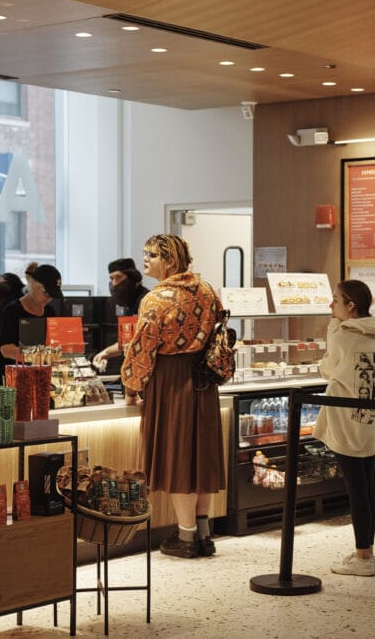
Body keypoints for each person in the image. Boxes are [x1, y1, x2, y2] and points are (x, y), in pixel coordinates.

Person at [120, 234, 224, 558]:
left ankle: (186, 537)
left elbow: (142, 349)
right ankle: (204, 534)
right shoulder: (207, 290)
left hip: (171, 382)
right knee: (201, 458)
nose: (145, 259)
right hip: (205, 381)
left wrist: (132, 387)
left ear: (169, 259)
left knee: (180, 459)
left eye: (151, 254)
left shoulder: (157, 298)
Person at [314, 280, 375, 577]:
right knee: (366, 486)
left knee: (355, 489)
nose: (330, 306)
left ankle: (363, 558)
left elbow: (329, 369)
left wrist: (332, 331)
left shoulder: (345, 336)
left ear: (351, 306)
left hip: (347, 419)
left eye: (335, 300)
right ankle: (367, 552)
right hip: (372, 419)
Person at [92, 258, 150, 372]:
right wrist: (105, 353)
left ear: (134, 279)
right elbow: (127, 340)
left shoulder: (146, 301)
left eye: (118, 277)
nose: (114, 283)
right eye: (111, 278)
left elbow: (137, 341)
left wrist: (106, 352)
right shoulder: (131, 303)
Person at [0, 263, 62, 364]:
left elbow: (53, 343)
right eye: (46, 293)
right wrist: (35, 358)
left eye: (52, 296)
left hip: (44, 372)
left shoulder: (50, 311)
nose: (49, 299)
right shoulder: (12, 310)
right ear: (33, 284)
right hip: (20, 373)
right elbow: (5, 349)